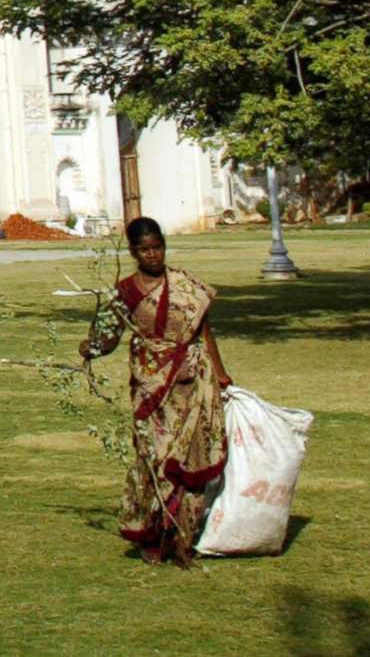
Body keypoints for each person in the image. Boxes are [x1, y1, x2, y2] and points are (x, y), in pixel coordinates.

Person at [79, 216, 231, 564]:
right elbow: (111, 335)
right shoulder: (126, 291)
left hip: (192, 382)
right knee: (155, 459)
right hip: (151, 388)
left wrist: (221, 373)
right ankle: (153, 537)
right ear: (133, 252)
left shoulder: (184, 285)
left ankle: (183, 541)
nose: (152, 255)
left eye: (157, 247)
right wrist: (92, 347)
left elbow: (204, 330)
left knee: (193, 456)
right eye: (144, 250)